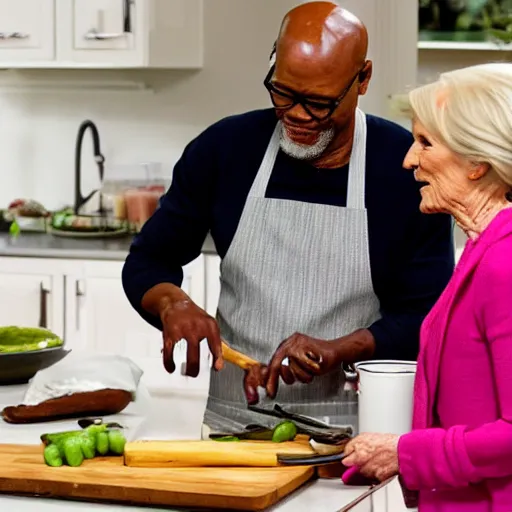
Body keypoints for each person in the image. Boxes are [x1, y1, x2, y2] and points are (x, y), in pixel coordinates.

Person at [121, 1, 454, 433]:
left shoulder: (403, 168)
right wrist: (173, 304)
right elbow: (148, 261)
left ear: (363, 79)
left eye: (318, 103)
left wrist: (339, 349)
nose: (296, 116)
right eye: (283, 93)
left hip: (355, 435)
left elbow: (427, 314)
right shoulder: (225, 150)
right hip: (232, 426)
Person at [342, 62, 512, 511]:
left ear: (477, 162)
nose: (408, 160)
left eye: (425, 143)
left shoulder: (505, 263)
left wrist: (405, 452)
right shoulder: (483, 250)